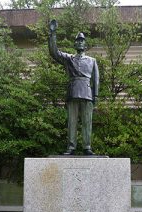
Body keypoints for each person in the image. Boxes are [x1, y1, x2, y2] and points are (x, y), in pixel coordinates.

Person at [48, 20, 99, 155]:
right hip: (73, 92)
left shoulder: (92, 61)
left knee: (87, 122)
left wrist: (96, 96)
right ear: (75, 44)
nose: (80, 42)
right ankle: (71, 147)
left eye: (82, 41)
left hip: (87, 93)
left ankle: (87, 147)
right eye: (78, 40)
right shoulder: (69, 58)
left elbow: (96, 79)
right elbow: (54, 52)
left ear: (85, 44)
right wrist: (53, 33)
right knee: (72, 122)